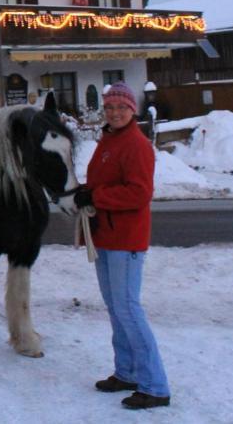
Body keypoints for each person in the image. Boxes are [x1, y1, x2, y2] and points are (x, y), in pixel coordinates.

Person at [74, 81, 171, 409]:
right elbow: (107, 182)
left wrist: (96, 196)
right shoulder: (110, 140)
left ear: (133, 110)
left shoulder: (136, 144)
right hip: (105, 235)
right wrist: (87, 190)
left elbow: (139, 193)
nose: (115, 112)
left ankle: (155, 385)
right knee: (116, 309)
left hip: (126, 240)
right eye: (110, 107)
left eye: (122, 107)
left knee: (128, 308)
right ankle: (127, 372)